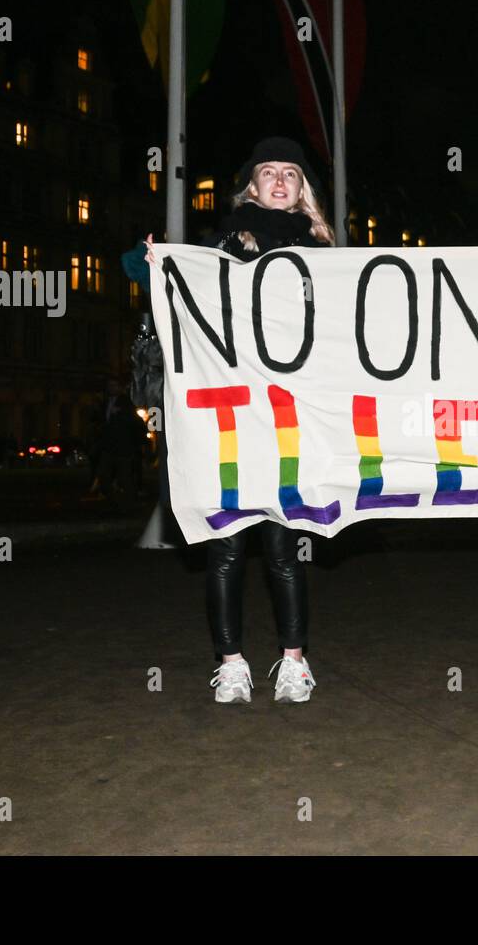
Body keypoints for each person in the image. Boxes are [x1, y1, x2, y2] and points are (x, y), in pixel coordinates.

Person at [146, 136, 333, 705]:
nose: (279, 181)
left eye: (291, 174)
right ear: (251, 185)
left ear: (303, 191)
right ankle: (231, 665)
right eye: (268, 172)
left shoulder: (329, 256)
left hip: (289, 417)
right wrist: (163, 267)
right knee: (226, 543)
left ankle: (294, 662)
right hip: (232, 412)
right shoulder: (226, 242)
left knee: (283, 544)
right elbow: (198, 302)